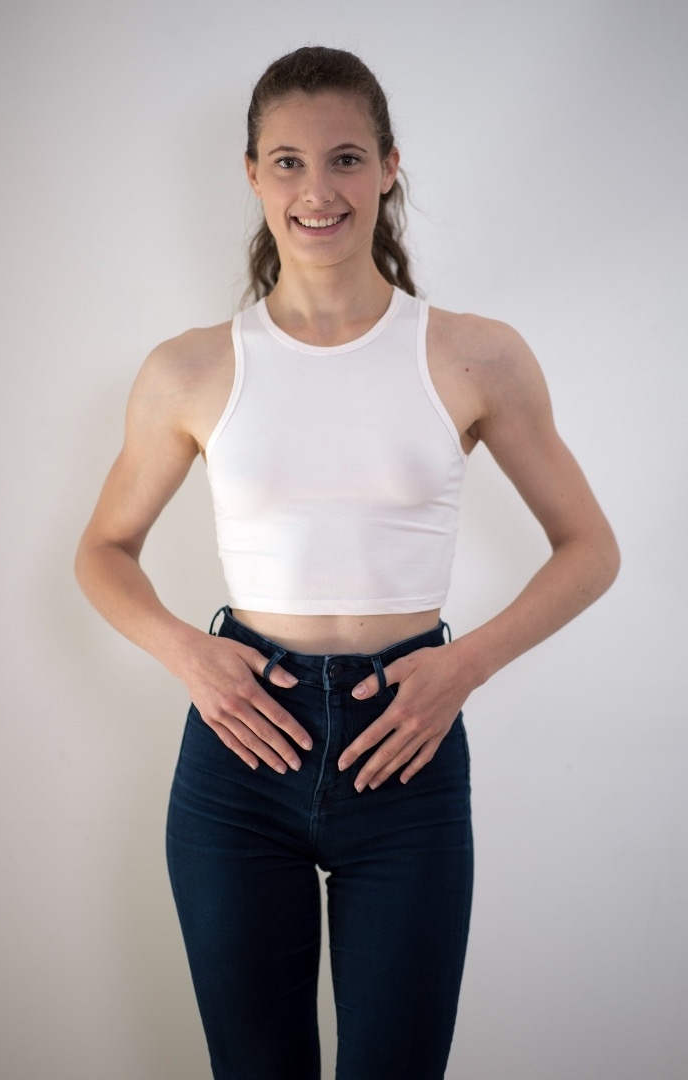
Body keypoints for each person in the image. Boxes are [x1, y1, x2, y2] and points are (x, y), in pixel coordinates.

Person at [75, 45, 619, 1080]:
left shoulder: (474, 354)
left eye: (344, 159)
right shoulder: (190, 368)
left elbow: (589, 548)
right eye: (286, 162)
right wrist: (188, 655)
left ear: (388, 166)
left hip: (406, 744)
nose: (316, 190)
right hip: (240, 753)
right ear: (251, 175)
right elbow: (103, 550)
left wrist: (463, 667)